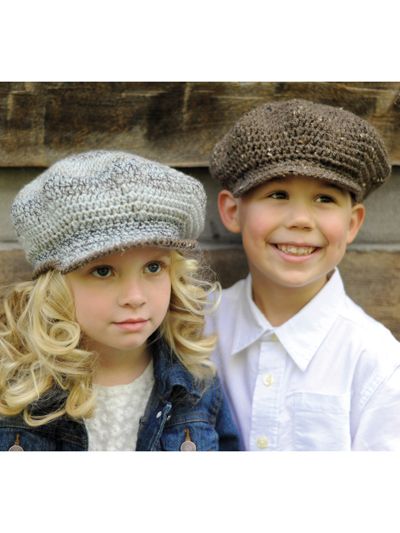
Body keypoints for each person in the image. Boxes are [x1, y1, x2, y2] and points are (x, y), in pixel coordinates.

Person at [0, 150, 240, 451]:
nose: (134, 297)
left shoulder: (197, 390)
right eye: (103, 271)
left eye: (153, 267)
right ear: (54, 287)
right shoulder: (15, 393)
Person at [207, 98, 400, 451]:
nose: (301, 219)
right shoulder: (197, 328)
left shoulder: (377, 361)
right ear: (233, 211)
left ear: (352, 222)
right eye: (278, 194)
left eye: (324, 199)